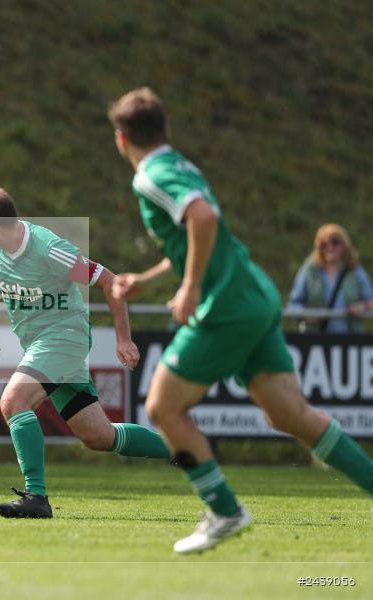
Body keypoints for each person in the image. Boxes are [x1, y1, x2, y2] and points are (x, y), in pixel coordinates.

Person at [107, 87, 373, 553]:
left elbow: (203, 219)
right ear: (164, 129)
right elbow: (195, 238)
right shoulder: (182, 166)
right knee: (291, 415)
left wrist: (190, 289)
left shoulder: (150, 175)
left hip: (226, 306)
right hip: (255, 294)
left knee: (163, 408)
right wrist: (149, 281)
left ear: (120, 139)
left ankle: (224, 510)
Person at [0, 188, 170, 519]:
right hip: (40, 343)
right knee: (99, 436)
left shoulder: (48, 249)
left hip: (64, 337)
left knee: (13, 401)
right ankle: (185, 451)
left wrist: (124, 339)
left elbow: (111, 282)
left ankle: (36, 497)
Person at [288, 224, 373, 333]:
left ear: (344, 245)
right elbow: (293, 305)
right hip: (316, 340)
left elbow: (371, 299)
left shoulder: (354, 270)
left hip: (350, 339)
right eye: (323, 244)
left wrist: (363, 306)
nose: (329, 247)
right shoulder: (309, 271)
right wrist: (307, 315)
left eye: (335, 242)